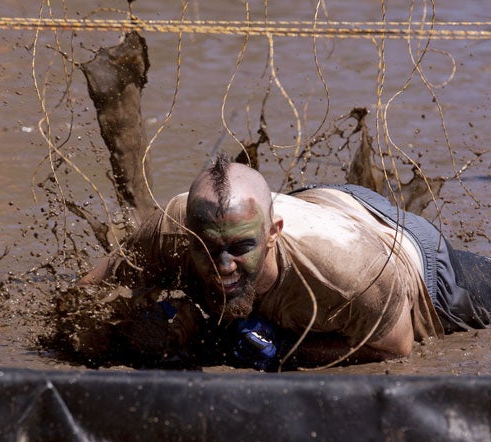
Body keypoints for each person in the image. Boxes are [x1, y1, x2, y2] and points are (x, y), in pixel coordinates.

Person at [79, 155, 491, 370]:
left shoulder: (349, 275)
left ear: (273, 233)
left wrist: (283, 352)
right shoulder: (171, 227)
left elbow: (393, 347)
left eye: (240, 249)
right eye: (207, 248)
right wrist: (125, 324)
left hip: (416, 261)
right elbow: (85, 296)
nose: (223, 265)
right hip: (319, 200)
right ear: (187, 234)